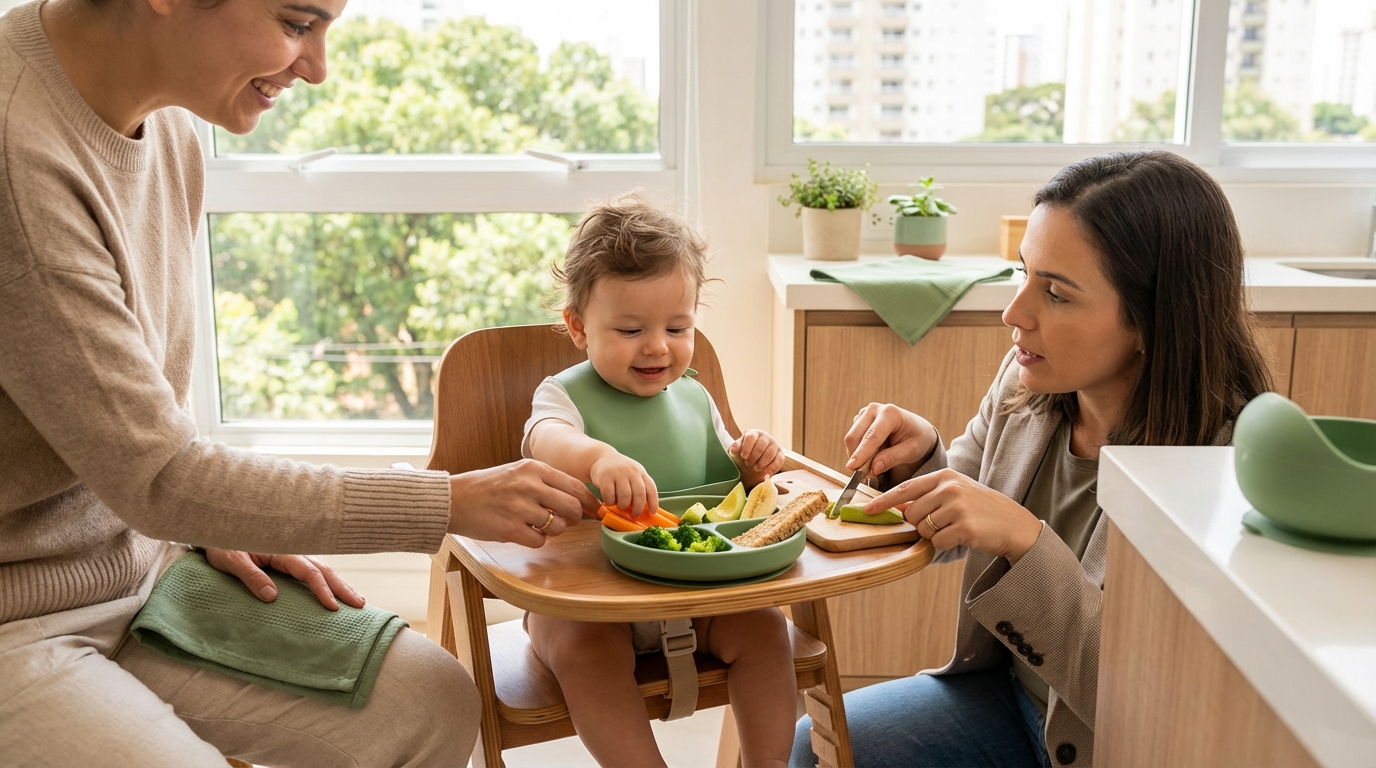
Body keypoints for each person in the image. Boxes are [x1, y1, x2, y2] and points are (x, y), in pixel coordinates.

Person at [0, 1, 599, 765]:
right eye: (296, 22)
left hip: (138, 567)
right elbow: (158, 474)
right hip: (15, 618)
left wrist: (207, 515)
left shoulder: (173, 126)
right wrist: (451, 501)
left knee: (429, 702)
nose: (317, 66)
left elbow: (136, 422)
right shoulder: (17, 147)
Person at [790, 150, 1272, 768]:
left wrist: (1025, 541)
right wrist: (920, 463)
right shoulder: (1031, 386)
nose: (1014, 313)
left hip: (1113, 741)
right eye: (1023, 274)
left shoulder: (1224, 463)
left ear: (1153, 321)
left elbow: (1130, 694)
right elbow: (971, 501)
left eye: (1057, 294)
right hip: (1011, 697)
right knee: (821, 744)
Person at [523, 194, 796, 768]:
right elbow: (543, 440)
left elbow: (728, 485)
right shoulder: (563, 396)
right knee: (582, 652)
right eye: (629, 329)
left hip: (700, 597)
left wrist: (751, 467)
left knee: (768, 630)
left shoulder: (695, 397)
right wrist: (598, 459)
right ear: (578, 327)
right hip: (588, 603)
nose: (657, 346)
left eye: (678, 326)